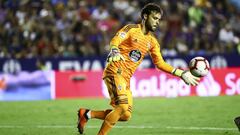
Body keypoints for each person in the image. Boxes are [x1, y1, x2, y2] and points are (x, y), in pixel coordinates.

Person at [77, 3, 200, 135]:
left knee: (125, 115)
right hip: (115, 70)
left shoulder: (152, 42)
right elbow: (116, 40)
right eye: (155, 18)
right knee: (122, 107)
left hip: (126, 79)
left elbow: (160, 63)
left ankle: (87, 114)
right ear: (145, 16)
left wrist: (182, 74)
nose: (157, 22)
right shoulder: (131, 29)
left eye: (159, 19)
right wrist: (114, 50)